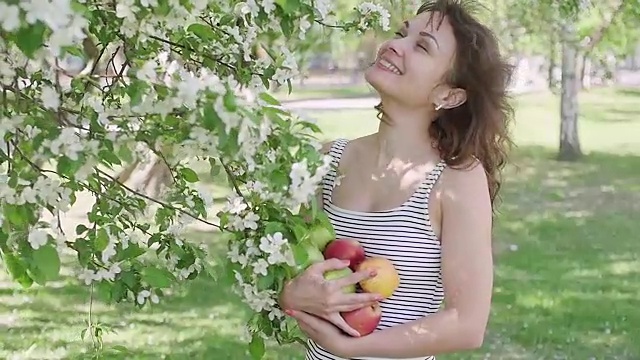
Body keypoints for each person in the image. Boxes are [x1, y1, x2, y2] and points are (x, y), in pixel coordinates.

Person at [278, 0, 515, 359]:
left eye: (421, 46)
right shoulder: (327, 161)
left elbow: (467, 324)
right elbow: (289, 269)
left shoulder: (456, 181)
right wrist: (291, 294)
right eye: (402, 34)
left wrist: (350, 347)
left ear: (448, 95)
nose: (394, 45)